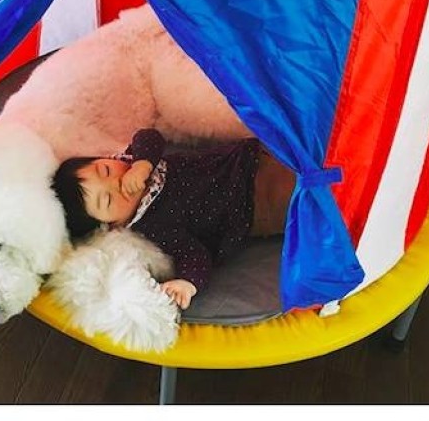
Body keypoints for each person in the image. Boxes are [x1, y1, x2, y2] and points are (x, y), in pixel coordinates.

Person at [52, 129, 296, 309]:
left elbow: (149, 136)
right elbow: (194, 254)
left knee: (302, 144)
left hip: (248, 159)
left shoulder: (137, 160)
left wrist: (142, 165)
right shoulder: (153, 227)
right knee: (304, 196)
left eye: (104, 170)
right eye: (107, 201)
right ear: (113, 225)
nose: (115, 184)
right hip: (254, 205)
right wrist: (187, 283)